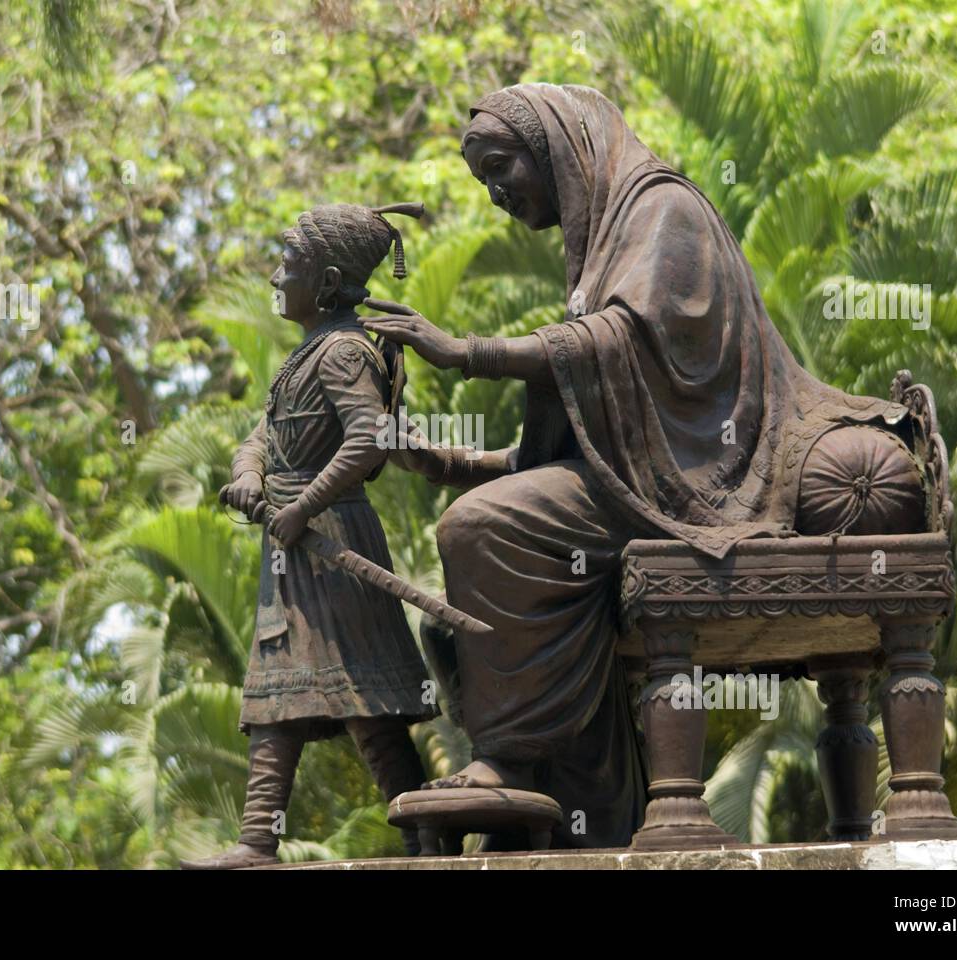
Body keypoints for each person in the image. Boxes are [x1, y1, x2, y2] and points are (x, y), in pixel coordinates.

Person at [361, 84, 909, 848]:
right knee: (462, 585)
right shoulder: (602, 239)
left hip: (703, 479)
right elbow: (584, 441)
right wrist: (438, 458)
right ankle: (567, 798)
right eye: (482, 179)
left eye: (500, 167)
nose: (495, 194)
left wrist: (469, 353)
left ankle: (511, 760)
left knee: (478, 529)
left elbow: (622, 341)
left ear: (556, 143)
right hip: (644, 480)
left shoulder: (662, 210)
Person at [181, 202, 437, 869]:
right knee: (279, 694)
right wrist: (248, 475)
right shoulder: (307, 353)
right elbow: (263, 434)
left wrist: (303, 508)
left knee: (364, 699)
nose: (275, 275)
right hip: (293, 548)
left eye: (288, 262)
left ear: (326, 282)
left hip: (333, 543)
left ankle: (425, 839)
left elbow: (367, 439)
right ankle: (258, 841)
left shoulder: (346, 351)